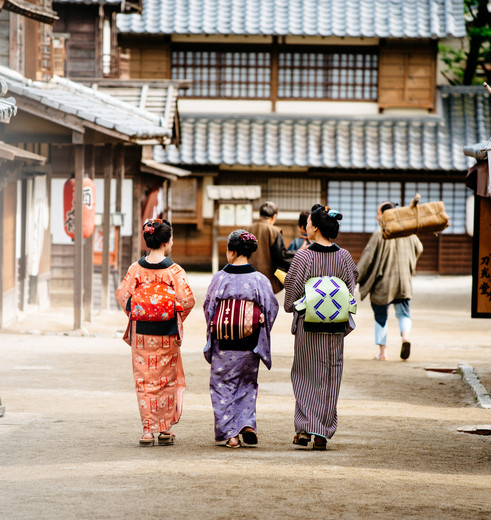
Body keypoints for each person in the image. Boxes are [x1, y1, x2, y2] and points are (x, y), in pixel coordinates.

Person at [284, 205, 358, 450]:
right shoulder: (344, 256)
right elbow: (351, 285)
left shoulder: (303, 256)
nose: (305, 226)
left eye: (307, 223)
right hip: (335, 324)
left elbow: (292, 291)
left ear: (314, 227)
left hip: (309, 325)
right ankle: (322, 431)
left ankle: (306, 426)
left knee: (305, 374)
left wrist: (290, 306)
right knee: (330, 374)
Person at [115, 218, 195, 446]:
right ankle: (165, 429)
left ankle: (147, 430)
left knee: (144, 381)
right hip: (167, 331)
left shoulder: (136, 269)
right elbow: (188, 300)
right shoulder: (174, 271)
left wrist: (139, 313)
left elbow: (122, 296)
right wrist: (173, 315)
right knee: (166, 381)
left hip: (142, 334)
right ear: (168, 242)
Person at [203, 230, 279, 448]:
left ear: (232, 251)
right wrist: (259, 324)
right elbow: (271, 308)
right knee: (247, 384)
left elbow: (209, 308)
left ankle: (231, 434)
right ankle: (247, 424)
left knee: (222, 386)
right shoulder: (259, 280)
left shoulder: (220, 278)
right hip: (249, 344)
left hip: (225, 343)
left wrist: (217, 326)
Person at [357, 201, 424, 361]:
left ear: (386, 215)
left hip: (383, 283)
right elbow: (419, 248)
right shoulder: (408, 232)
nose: (377, 217)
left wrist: (354, 277)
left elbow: (367, 259)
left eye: (378, 213)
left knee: (381, 316)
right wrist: (409, 264)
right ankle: (405, 338)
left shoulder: (380, 233)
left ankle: (383, 352)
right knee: (404, 313)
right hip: (403, 282)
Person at [248, 201, 295, 294]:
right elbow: (281, 257)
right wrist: (299, 252)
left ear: (259, 215)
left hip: (247, 278)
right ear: (274, 217)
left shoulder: (247, 229)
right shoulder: (275, 231)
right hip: (267, 279)